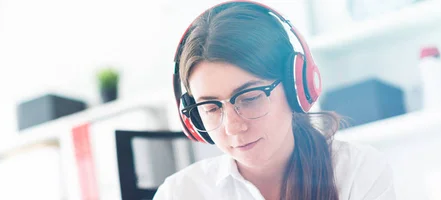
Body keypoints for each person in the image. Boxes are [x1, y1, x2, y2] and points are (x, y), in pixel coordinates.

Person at [154, 1, 396, 200]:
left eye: (249, 98)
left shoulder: (357, 171)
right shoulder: (179, 194)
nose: (233, 127)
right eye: (210, 107)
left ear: (296, 87)